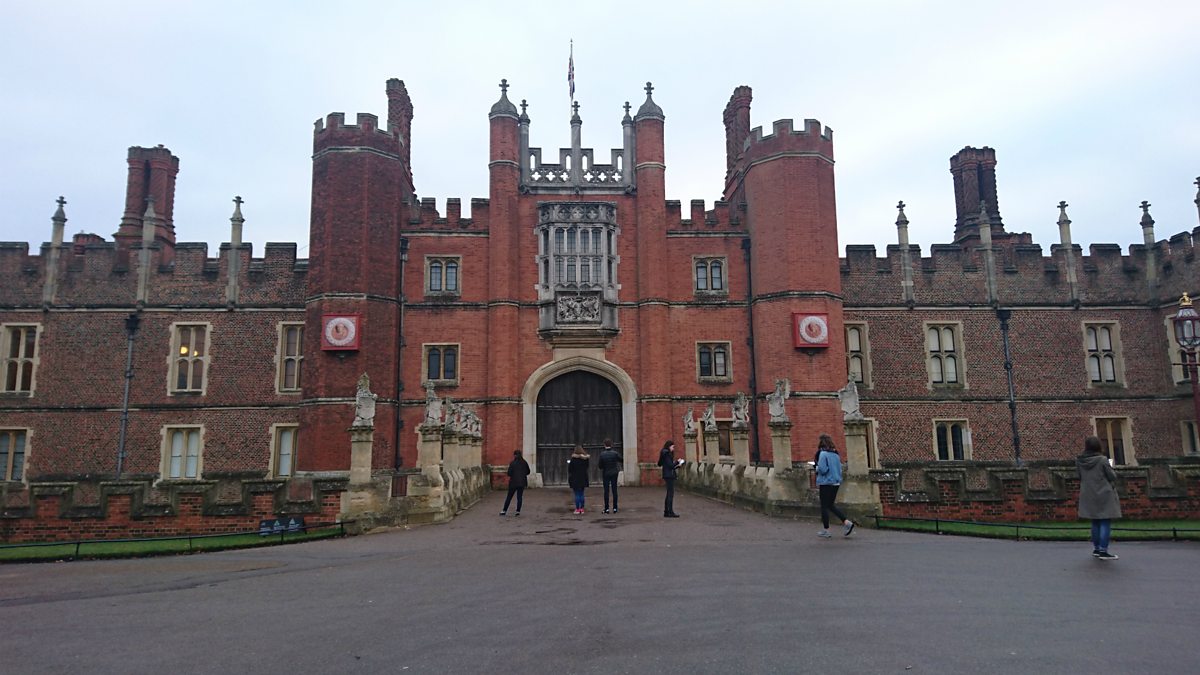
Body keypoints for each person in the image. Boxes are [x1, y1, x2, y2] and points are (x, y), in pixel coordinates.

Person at [1077, 435, 1122, 560]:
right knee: (1105, 521)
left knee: (1095, 521)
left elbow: (1079, 476)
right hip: (1104, 493)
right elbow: (1112, 476)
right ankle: (1103, 550)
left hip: (1088, 493)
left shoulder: (1080, 461)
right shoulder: (1102, 460)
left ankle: (1097, 548)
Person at [815, 433, 855, 538]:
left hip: (826, 483)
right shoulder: (836, 455)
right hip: (836, 482)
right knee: (830, 505)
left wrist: (816, 468)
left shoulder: (823, 454)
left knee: (824, 506)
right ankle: (847, 522)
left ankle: (826, 530)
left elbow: (823, 469)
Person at [500, 449, 530, 516]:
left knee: (509, 497)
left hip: (513, 482)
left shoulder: (512, 463)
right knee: (519, 497)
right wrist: (522, 474)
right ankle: (518, 511)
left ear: (515, 455)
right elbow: (528, 472)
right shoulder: (524, 462)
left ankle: (504, 510)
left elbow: (509, 473)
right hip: (522, 482)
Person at [657, 439, 682, 517]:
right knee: (670, 494)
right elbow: (670, 465)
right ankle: (670, 512)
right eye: (672, 447)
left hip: (667, 474)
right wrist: (678, 461)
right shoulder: (667, 454)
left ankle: (666, 511)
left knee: (668, 494)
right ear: (669, 446)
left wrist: (677, 466)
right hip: (669, 475)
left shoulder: (663, 453)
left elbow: (661, 464)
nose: (673, 449)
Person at [598, 439, 622, 514]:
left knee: (606, 491)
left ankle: (606, 508)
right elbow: (621, 460)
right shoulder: (615, 453)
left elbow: (600, 466)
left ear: (604, 445)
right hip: (614, 473)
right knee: (614, 490)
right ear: (611, 445)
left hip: (606, 473)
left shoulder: (602, 454)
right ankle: (615, 508)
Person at [567, 445, 591, 514]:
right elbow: (587, 467)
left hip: (575, 478)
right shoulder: (585, 459)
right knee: (582, 494)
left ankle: (577, 509)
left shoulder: (573, 459)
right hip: (583, 477)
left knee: (577, 494)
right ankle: (582, 509)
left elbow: (570, 469)